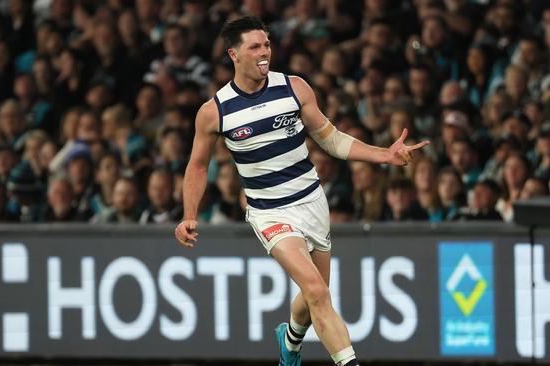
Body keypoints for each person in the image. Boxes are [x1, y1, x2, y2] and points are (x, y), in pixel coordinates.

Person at [174, 16, 428, 366]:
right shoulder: (214, 112)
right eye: (255, 47)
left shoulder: (294, 87)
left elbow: (332, 139)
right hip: (269, 213)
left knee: (315, 293)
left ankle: (290, 339)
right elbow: (198, 166)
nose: (265, 52)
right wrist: (189, 215)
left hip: (311, 202)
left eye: (267, 44)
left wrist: (383, 154)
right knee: (317, 290)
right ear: (234, 54)